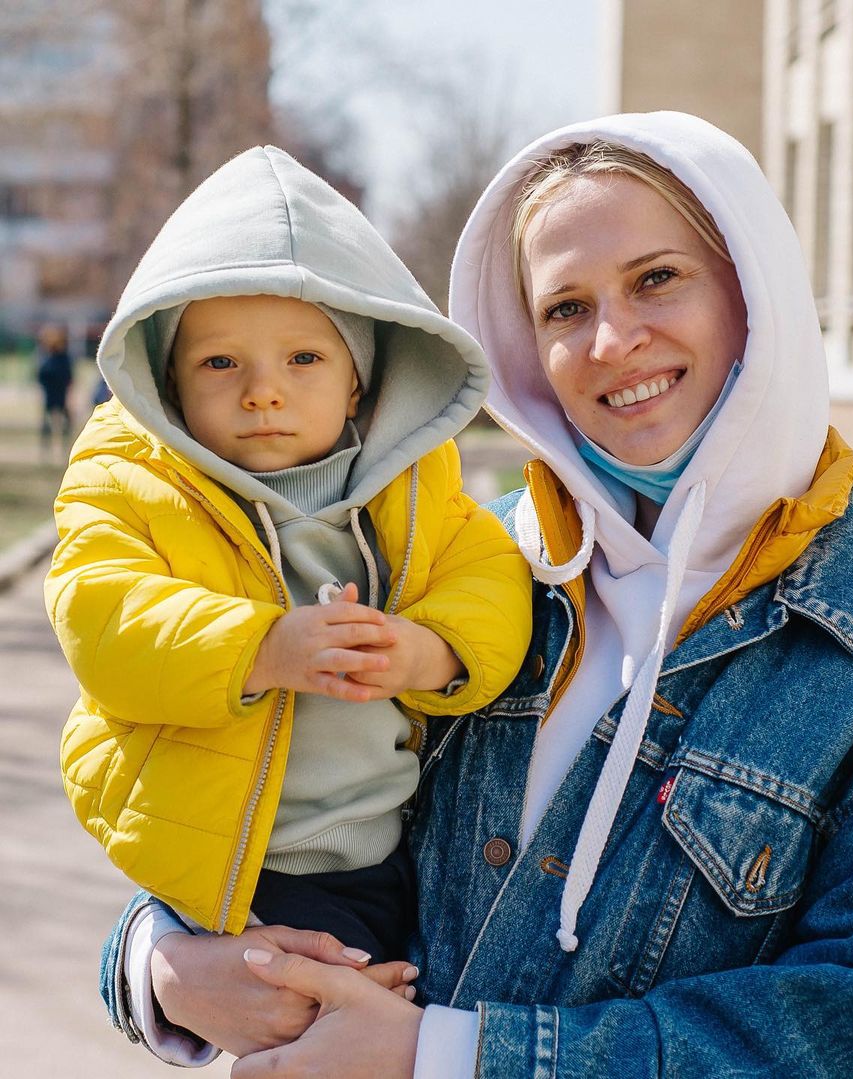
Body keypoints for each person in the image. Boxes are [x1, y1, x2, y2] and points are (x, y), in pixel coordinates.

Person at [99, 113, 853, 1078]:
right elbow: (256, 798)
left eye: (656, 278)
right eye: (563, 308)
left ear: (754, 288)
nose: (612, 340)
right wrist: (161, 962)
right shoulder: (461, 568)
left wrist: (449, 1054)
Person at [46, 146, 532, 976]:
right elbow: (103, 612)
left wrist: (430, 649)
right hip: (240, 855)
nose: (262, 391)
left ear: (359, 384)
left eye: (304, 359)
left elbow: (490, 576)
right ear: (168, 383)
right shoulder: (130, 480)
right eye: (220, 362)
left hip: (394, 845)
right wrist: (263, 646)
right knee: (317, 1020)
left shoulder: (410, 486)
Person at [36, 323, 74, 457]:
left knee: (64, 422)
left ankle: (65, 446)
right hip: (52, 395)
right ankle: (46, 448)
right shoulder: (49, 358)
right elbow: (41, 376)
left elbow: (68, 377)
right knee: (48, 422)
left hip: (59, 395)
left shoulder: (61, 358)